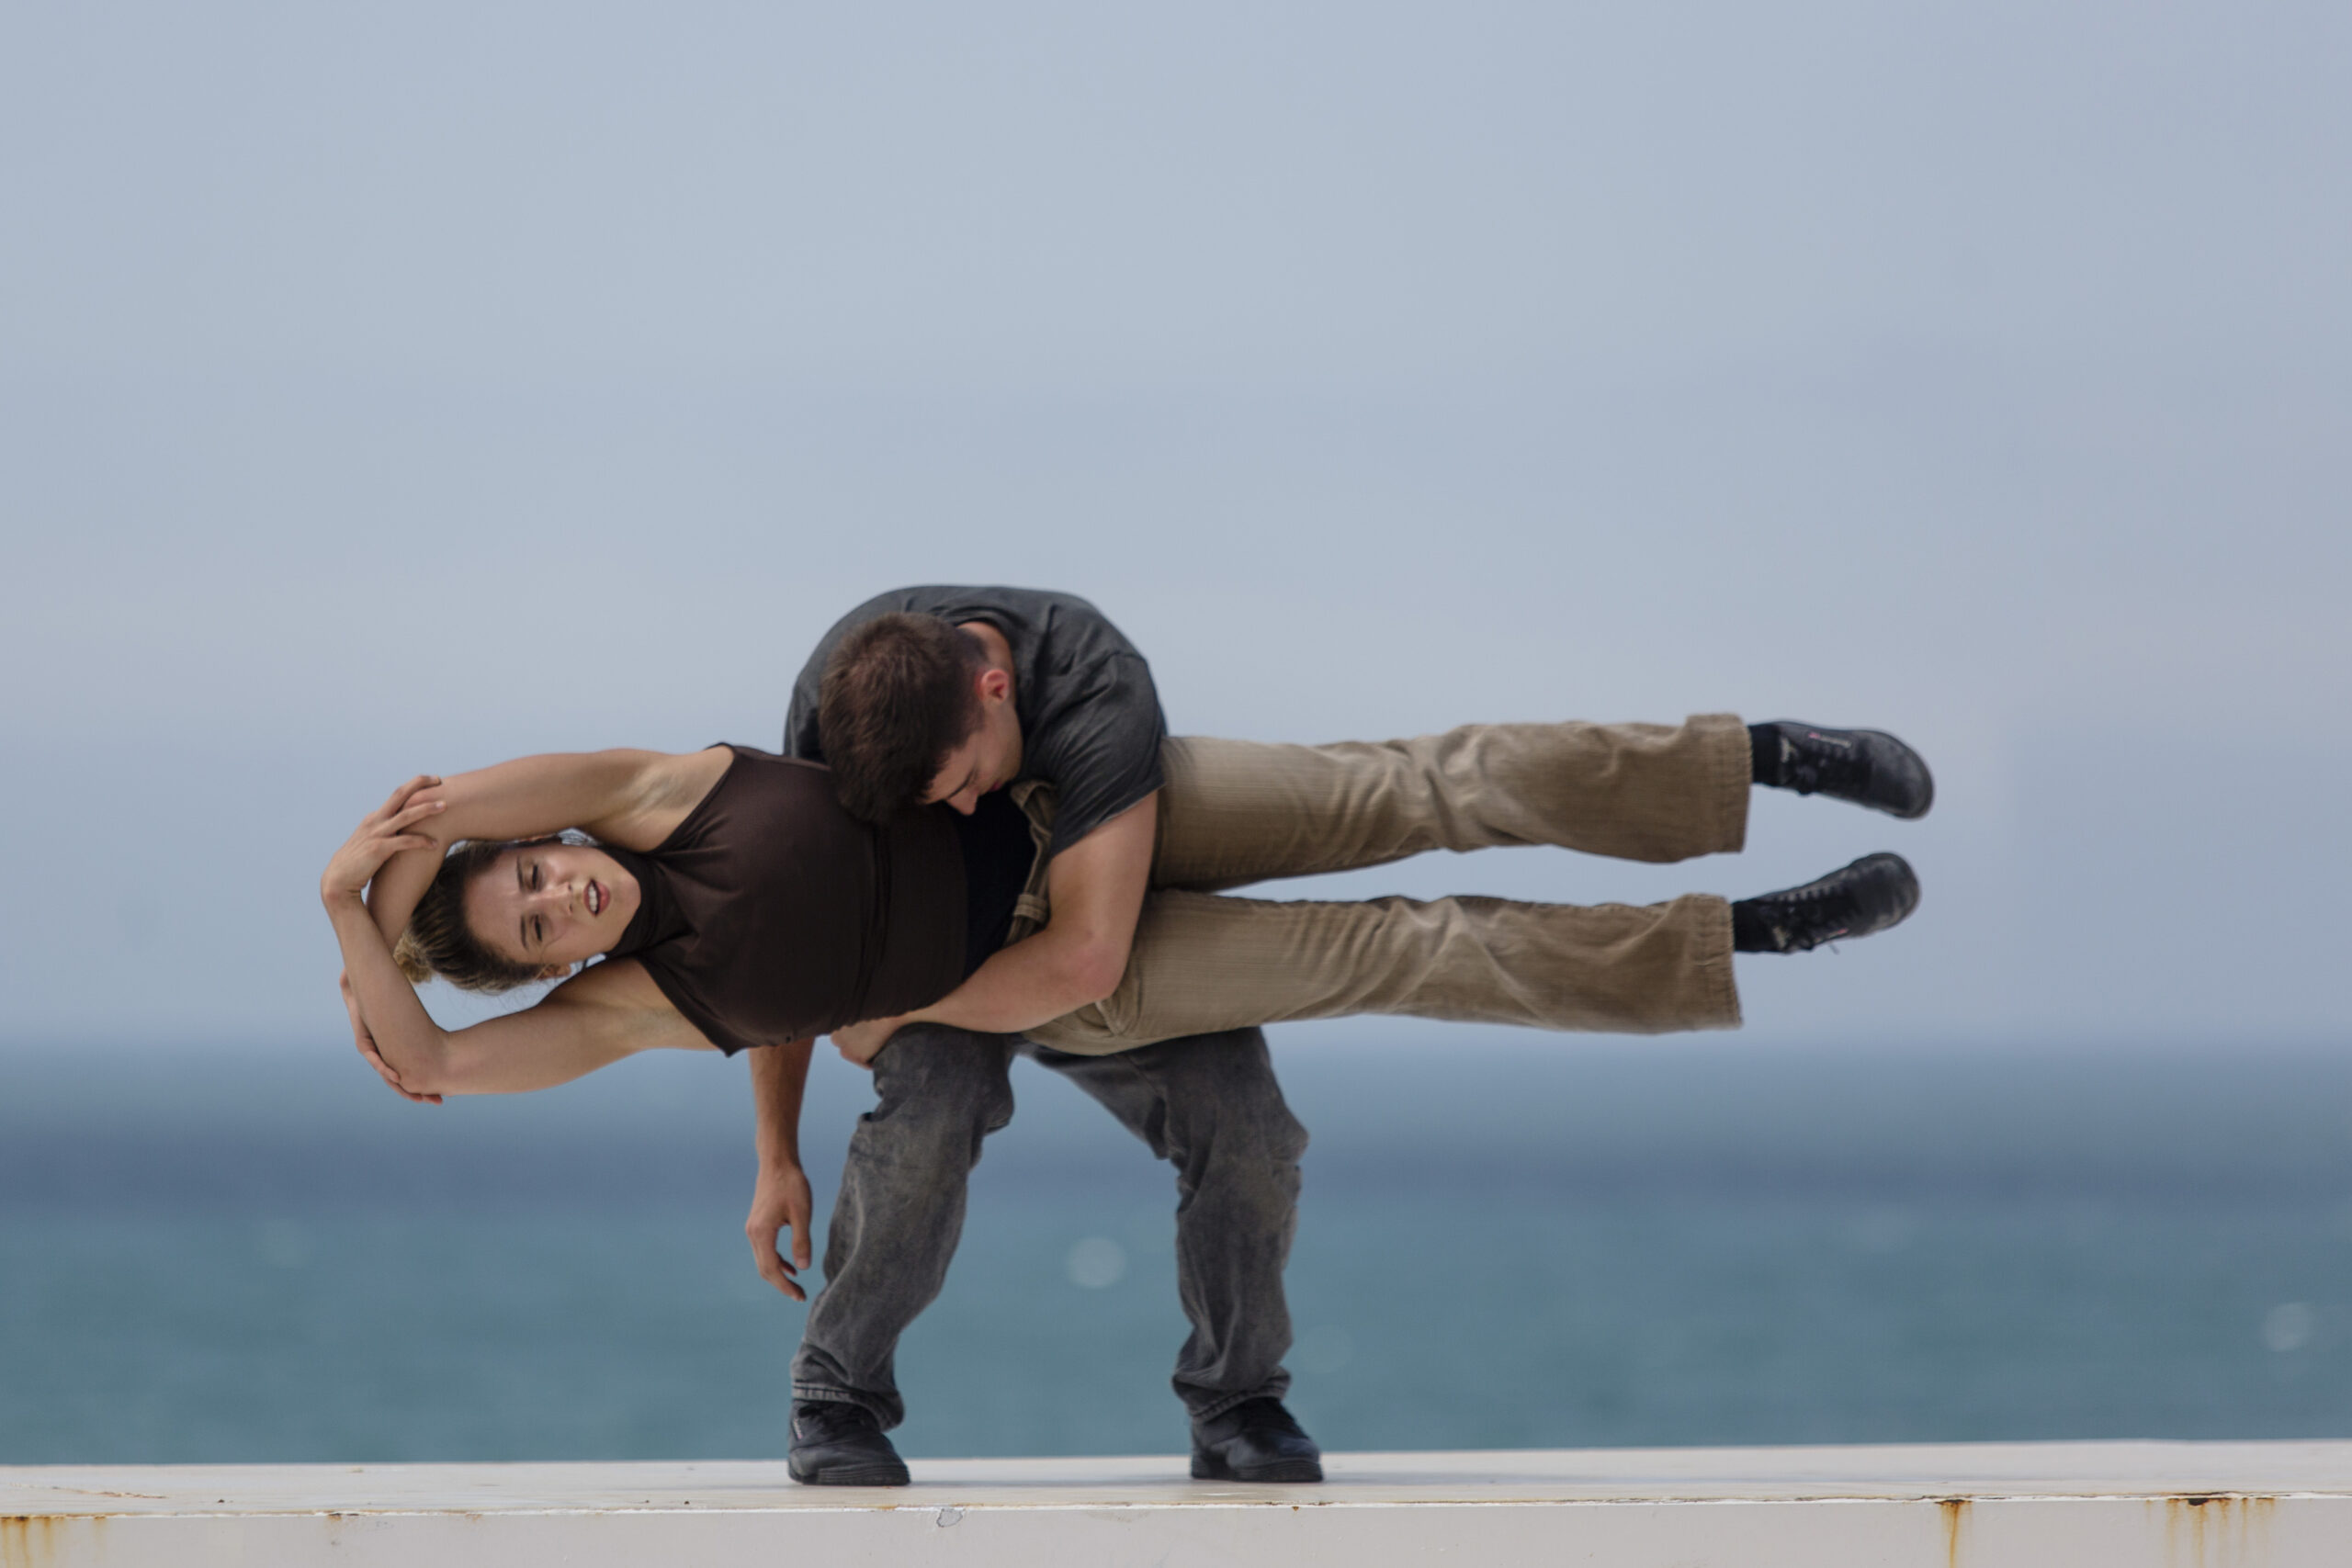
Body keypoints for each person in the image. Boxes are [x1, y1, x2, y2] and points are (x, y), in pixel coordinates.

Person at [323, 604, 1929, 1486]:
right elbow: (442, 1066)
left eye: (535, 871)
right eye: (537, 923)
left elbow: (453, 803)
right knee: (1408, 951)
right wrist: (353, 927)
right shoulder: (639, 1005)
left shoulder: (660, 787)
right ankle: (1758, 934)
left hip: (1090, 829)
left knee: (1424, 784)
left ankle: (1757, 758)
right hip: (1070, 974)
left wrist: (394, 853)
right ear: (559, 964)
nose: (556, 891)